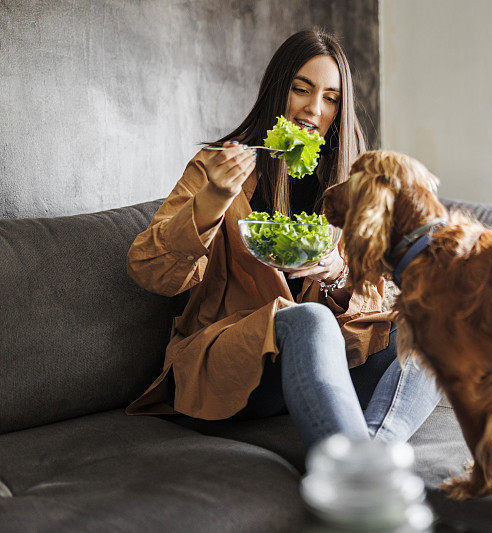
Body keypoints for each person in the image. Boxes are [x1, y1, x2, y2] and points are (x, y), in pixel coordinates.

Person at [124, 29, 440, 447]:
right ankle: (357, 471)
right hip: (238, 367)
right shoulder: (216, 168)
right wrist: (214, 199)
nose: (314, 109)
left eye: (330, 98)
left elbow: (377, 293)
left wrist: (337, 271)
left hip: (324, 367)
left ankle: (372, 456)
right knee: (309, 319)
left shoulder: (349, 183)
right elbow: (151, 271)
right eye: (301, 89)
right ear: (278, 91)